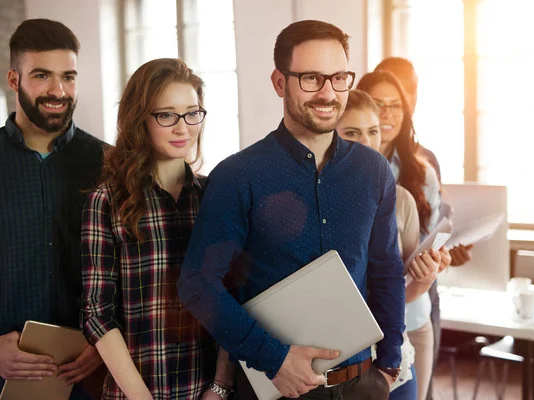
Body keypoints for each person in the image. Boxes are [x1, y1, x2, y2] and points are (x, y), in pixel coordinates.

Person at [178, 20, 405, 400]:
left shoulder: (374, 170)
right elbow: (197, 283)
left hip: (362, 385)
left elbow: (386, 269)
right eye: (311, 78)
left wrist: (389, 366)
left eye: (338, 77)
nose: (328, 93)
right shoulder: (237, 176)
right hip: (275, 385)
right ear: (280, 82)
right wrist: (274, 358)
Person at [80, 58, 235, 400]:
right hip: (135, 392)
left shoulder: (216, 196)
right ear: (140, 120)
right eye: (166, 115)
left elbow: (232, 298)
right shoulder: (107, 201)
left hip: (208, 391)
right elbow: (96, 312)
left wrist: (220, 386)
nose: (183, 128)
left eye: (192, 113)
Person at [0, 19, 106, 400]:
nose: (58, 91)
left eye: (69, 77)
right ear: (14, 79)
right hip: (5, 376)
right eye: (42, 75)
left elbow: (131, 264)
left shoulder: (109, 164)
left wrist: (106, 342)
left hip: (94, 375)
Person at [375, 57, 474, 399]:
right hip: (367, 320)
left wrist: (439, 259)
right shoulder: (340, 170)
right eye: (377, 105)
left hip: (415, 314)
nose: (387, 114)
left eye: (395, 106)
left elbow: (434, 238)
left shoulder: (422, 170)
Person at [336, 89, 443, 400]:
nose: (368, 143)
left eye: (373, 132)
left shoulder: (402, 200)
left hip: (391, 354)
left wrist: (424, 280)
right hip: (336, 357)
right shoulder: (316, 204)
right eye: (352, 133)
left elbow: (399, 294)